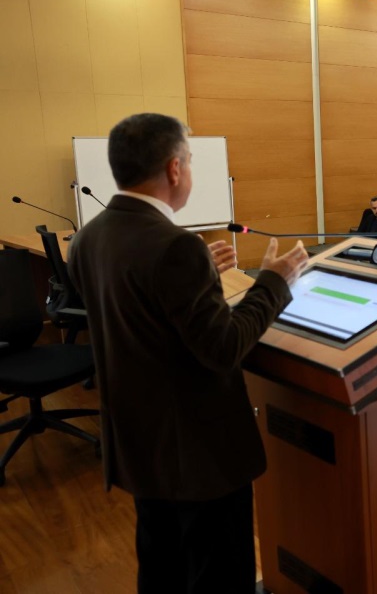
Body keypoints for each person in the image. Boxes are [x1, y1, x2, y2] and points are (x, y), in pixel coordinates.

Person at [66, 113, 310, 593]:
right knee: (216, 577)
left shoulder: (89, 238)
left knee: (162, 571)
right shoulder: (176, 247)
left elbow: (140, 318)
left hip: (140, 446)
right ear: (174, 169)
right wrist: (274, 283)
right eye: (191, 161)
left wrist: (202, 281)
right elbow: (223, 348)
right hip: (197, 458)